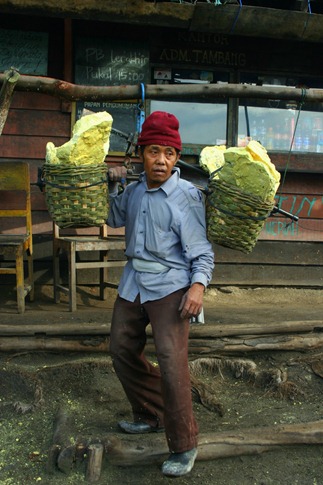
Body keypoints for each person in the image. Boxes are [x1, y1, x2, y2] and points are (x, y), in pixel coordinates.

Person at [107, 111, 214, 477]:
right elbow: (114, 218)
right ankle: (150, 413)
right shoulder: (135, 190)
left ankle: (184, 445)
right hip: (133, 282)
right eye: (154, 152)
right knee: (121, 349)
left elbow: (201, 252)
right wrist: (113, 185)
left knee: (172, 363)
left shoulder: (186, 197)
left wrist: (198, 286)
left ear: (176, 157)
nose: (162, 161)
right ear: (142, 154)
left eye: (169, 153)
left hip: (171, 286)